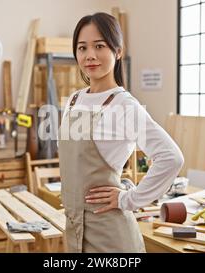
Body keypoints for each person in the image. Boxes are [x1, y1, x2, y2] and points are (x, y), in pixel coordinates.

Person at [57, 12, 184, 253]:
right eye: (82, 48)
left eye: (99, 46)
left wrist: (129, 199)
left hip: (110, 236)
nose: (90, 55)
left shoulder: (124, 105)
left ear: (117, 51)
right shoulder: (74, 100)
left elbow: (171, 157)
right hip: (74, 231)